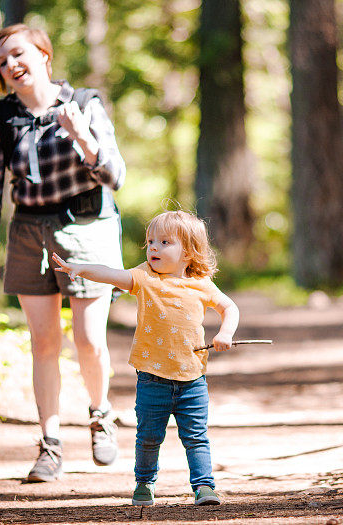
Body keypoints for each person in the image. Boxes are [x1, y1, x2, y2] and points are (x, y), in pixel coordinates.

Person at [0, 24, 126, 483]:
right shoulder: (0, 121)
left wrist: (83, 137)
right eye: (1, 62)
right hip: (28, 233)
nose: (11, 65)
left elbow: (115, 176)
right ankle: (50, 446)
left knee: (88, 339)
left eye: (18, 54)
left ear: (43, 55)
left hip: (87, 225)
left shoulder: (85, 104)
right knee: (43, 343)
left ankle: (100, 415)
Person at [52, 210, 240, 506]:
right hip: (152, 379)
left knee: (196, 438)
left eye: (165, 242)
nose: (154, 247)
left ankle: (204, 486)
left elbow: (229, 308)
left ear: (188, 252)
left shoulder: (201, 283)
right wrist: (80, 268)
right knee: (149, 437)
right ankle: (144, 483)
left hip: (192, 380)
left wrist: (225, 333)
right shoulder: (143, 279)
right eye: (151, 241)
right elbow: (110, 273)